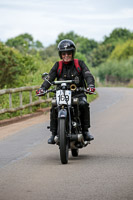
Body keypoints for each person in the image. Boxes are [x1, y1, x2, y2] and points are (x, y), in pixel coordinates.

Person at [36, 39, 95, 144]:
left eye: (69, 53)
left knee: (83, 104)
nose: (66, 55)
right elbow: (49, 78)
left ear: (72, 53)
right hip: (62, 93)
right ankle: (54, 133)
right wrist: (43, 88)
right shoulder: (57, 65)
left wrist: (90, 85)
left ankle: (85, 131)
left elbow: (88, 75)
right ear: (60, 54)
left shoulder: (79, 64)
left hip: (78, 93)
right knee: (54, 106)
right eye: (64, 53)